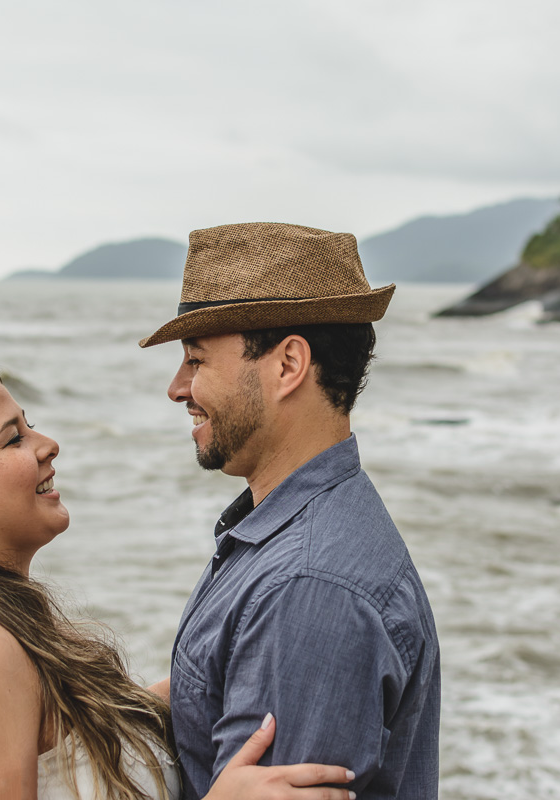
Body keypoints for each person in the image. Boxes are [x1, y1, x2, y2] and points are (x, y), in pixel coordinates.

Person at [0, 356, 357, 799]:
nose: (47, 444)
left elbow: (66, 752)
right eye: (13, 439)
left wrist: (233, 661)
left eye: (29, 425)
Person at [138, 223, 441, 799]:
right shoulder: (282, 534)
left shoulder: (306, 586)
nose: (178, 388)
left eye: (196, 360)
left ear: (287, 365)